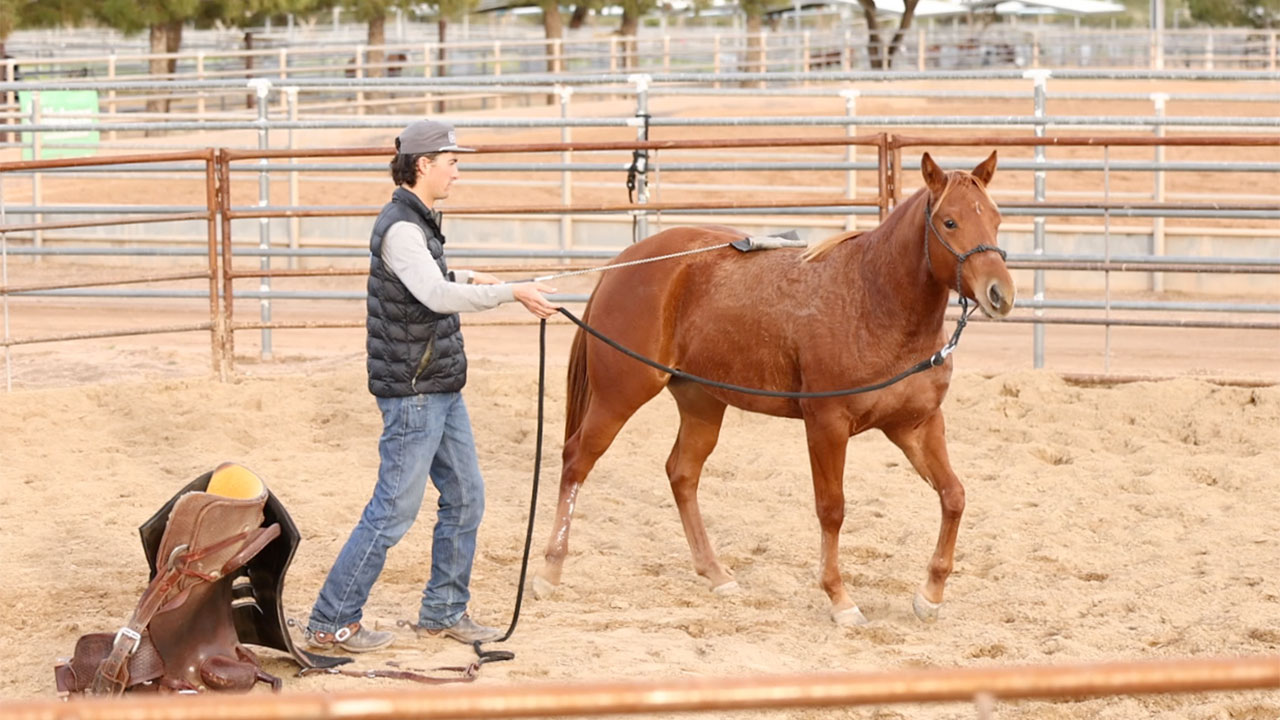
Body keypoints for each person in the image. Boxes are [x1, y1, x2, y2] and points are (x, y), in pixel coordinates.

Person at [305, 119, 559, 652]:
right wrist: (511, 292)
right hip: (416, 393)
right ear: (423, 165)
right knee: (394, 509)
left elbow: (431, 278)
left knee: (466, 496)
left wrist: (471, 277)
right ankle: (332, 620)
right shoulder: (401, 227)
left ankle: (443, 610)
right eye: (451, 162)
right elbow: (433, 296)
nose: (457, 173)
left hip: (438, 383)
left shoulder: (416, 223)